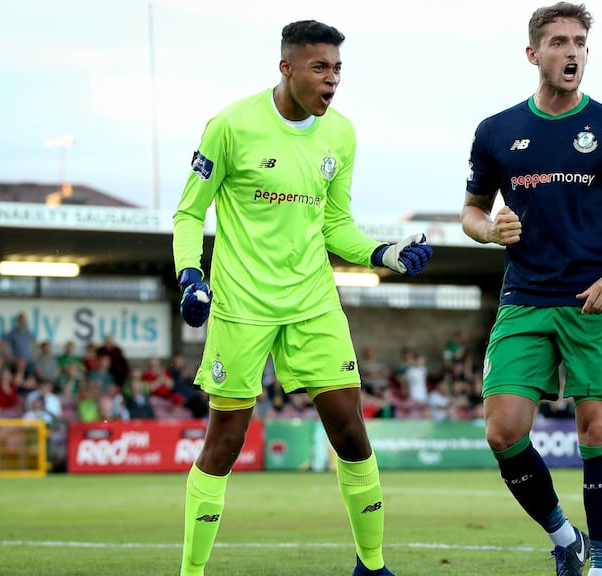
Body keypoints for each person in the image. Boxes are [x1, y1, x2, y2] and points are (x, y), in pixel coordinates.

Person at [171, 19, 432, 576]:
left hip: (313, 302)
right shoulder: (231, 125)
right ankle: (191, 572)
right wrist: (190, 275)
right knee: (226, 441)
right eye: (320, 67)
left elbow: (336, 225)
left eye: (337, 69)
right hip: (242, 304)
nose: (332, 79)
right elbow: (190, 211)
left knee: (350, 431)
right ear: (287, 68)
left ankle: (372, 564)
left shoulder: (341, 134)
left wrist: (383, 254)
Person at [460, 4, 602, 574]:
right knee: (503, 431)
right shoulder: (497, 131)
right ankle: (564, 538)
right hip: (524, 298)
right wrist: (488, 230)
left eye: (579, 41)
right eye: (558, 42)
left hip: (593, 300)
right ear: (534, 54)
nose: (571, 51)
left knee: (597, 428)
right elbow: (472, 212)